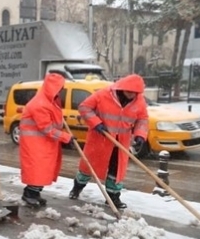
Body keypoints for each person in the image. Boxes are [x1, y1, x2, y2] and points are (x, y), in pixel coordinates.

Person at [68, 74, 149, 209]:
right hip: (100, 139)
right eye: (129, 92)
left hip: (120, 143)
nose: (131, 96)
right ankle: (77, 188)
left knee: (115, 171)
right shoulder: (103, 95)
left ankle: (113, 197)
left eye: (135, 93)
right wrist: (96, 123)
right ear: (122, 88)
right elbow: (84, 108)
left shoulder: (139, 101)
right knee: (88, 167)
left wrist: (140, 135)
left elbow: (142, 119)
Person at [19, 73, 74, 207]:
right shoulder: (40, 104)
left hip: (44, 143)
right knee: (37, 169)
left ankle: (35, 193)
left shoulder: (50, 101)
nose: (61, 91)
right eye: (59, 88)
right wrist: (66, 137)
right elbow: (47, 128)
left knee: (43, 170)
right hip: (35, 144)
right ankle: (29, 195)